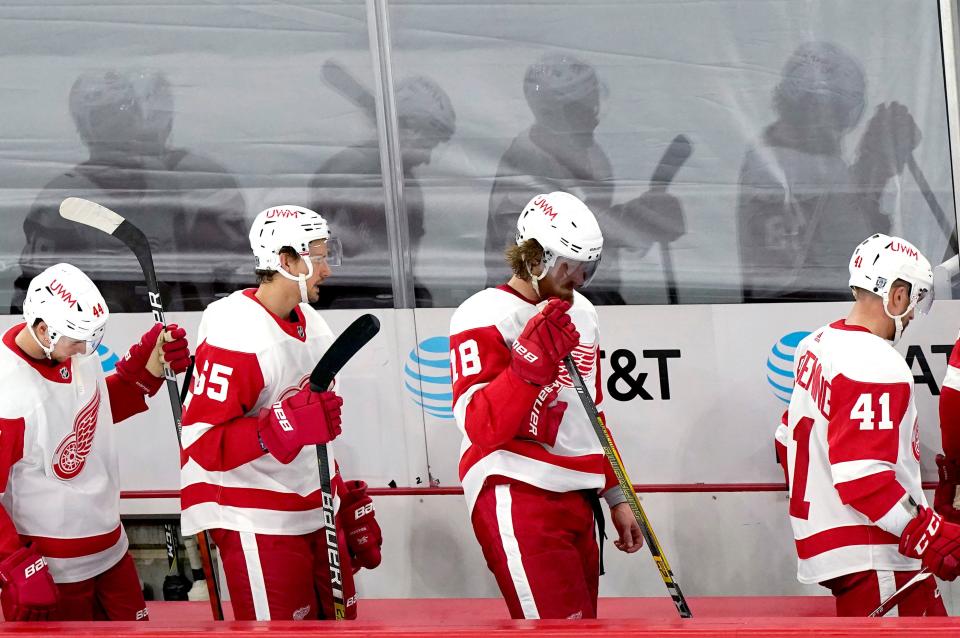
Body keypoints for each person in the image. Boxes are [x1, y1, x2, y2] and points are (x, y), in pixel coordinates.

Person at [179, 205, 383, 621]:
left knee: (342, 627)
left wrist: (342, 500)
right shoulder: (236, 331)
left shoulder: (313, 324)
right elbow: (200, 442)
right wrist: (277, 429)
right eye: (319, 257)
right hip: (253, 519)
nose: (327, 269)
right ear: (286, 261)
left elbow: (315, 429)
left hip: (312, 509)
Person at [449, 191, 643, 620]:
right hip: (517, 491)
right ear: (534, 258)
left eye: (586, 269)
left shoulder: (585, 312)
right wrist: (525, 369)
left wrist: (617, 493)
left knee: (582, 625)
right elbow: (479, 426)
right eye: (568, 266)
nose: (577, 279)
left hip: (578, 496)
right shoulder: (482, 313)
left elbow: (591, 413)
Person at [775, 233, 960, 616]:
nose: (911, 315)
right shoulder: (875, 362)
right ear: (896, 296)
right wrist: (930, 534)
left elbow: (784, 441)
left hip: (844, 551)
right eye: (914, 300)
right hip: (877, 553)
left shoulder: (815, 344)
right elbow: (864, 478)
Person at [0, 263, 190, 620]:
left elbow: (88, 413)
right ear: (44, 330)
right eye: (78, 340)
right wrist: (12, 561)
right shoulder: (7, 392)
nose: (86, 348)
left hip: (112, 552)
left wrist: (144, 371)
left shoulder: (73, 351)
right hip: (54, 570)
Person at [14, 69, 248, 313]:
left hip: (178, 329)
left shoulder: (176, 186)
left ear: (138, 116)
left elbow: (224, 269)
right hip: (98, 338)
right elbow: (35, 290)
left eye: (126, 111)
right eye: (104, 116)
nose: (118, 124)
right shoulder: (62, 200)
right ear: (85, 127)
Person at [485, 53, 686, 304]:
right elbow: (549, 244)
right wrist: (638, 218)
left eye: (593, 102)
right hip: (534, 310)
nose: (593, 114)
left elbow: (596, 221)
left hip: (589, 292)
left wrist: (647, 215)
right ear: (555, 112)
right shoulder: (524, 166)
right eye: (583, 107)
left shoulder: (586, 150)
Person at [737, 41, 922, 301]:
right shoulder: (783, 164)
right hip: (801, 310)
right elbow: (850, 252)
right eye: (822, 107)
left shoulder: (787, 156)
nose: (829, 121)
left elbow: (838, 219)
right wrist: (875, 163)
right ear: (798, 103)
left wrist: (873, 163)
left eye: (839, 111)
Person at [309, 75, 455, 307]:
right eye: (428, 145)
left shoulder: (405, 183)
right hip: (347, 307)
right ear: (407, 129)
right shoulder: (347, 172)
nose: (427, 159)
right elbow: (330, 262)